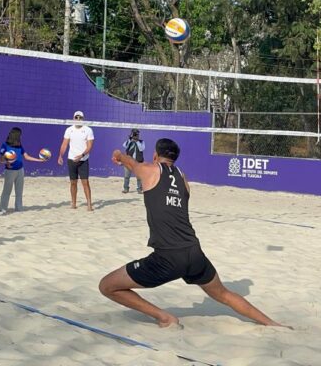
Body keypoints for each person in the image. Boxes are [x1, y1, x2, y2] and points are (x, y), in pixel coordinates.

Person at [99, 138, 285, 328]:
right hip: (194, 253)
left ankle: (164, 317)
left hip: (167, 257)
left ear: (155, 155)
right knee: (224, 294)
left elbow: (131, 163)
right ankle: (272, 323)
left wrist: (119, 155)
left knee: (107, 286)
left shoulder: (150, 170)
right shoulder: (183, 179)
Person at [0, 127, 45, 213]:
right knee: (7, 190)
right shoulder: (5, 145)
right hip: (10, 170)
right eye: (19, 135)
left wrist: (39, 160)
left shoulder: (19, 145)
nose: (20, 137)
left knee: (19, 190)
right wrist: (6, 162)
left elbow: (26, 157)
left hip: (20, 170)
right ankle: (3, 208)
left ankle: (19, 207)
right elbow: (0, 159)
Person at [57, 111, 95, 211]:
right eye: (76, 117)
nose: (78, 119)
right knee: (73, 182)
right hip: (72, 159)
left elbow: (90, 146)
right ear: (73, 118)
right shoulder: (69, 130)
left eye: (80, 118)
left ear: (83, 119)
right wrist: (60, 155)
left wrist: (82, 155)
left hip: (83, 159)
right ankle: (73, 203)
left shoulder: (88, 130)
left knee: (85, 182)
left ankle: (89, 205)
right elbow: (64, 144)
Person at [122, 128, 145, 194]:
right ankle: (126, 188)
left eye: (136, 134)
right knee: (127, 176)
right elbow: (124, 146)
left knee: (139, 177)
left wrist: (137, 141)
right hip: (128, 161)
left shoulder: (141, 142)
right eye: (134, 134)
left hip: (138, 162)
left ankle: (139, 189)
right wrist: (130, 140)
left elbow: (141, 149)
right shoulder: (129, 141)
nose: (135, 135)